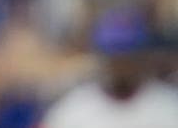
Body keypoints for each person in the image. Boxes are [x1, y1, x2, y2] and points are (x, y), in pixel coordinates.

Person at [39, 8, 178, 128]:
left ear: (142, 57)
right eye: (114, 55)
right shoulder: (72, 110)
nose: (121, 64)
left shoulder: (168, 107)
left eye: (128, 55)